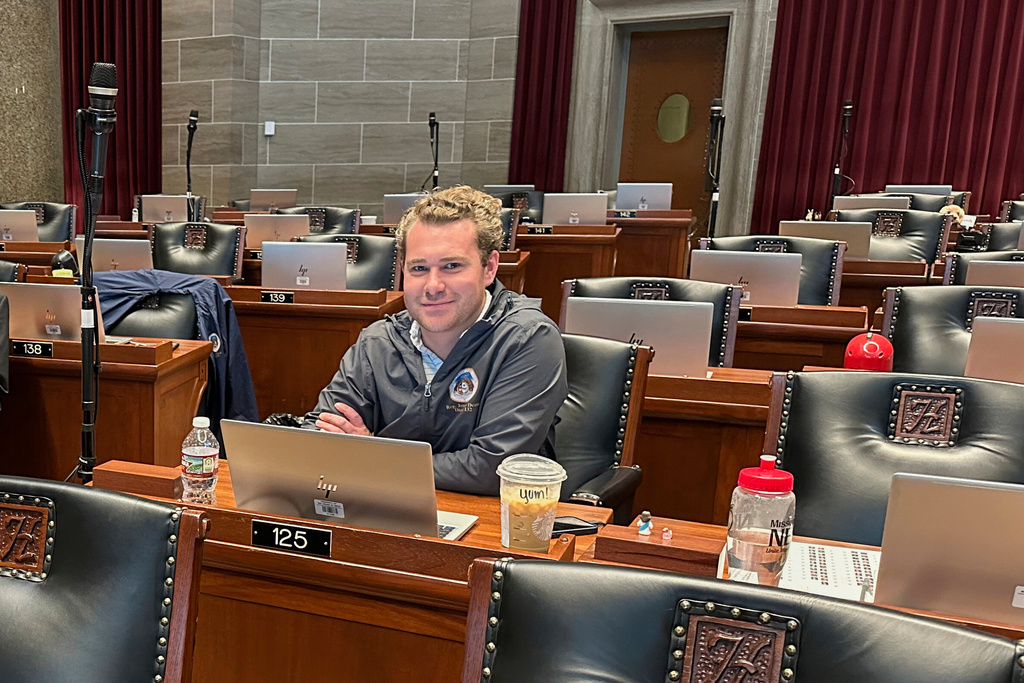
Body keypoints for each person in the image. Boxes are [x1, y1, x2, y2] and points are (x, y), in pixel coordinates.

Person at [303, 186, 568, 495]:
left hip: (494, 527)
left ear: (490, 268)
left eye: (451, 266)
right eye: (418, 268)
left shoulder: (528, 340)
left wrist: (372, 456)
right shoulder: (377, 343)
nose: (433, 285)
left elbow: (490, 468)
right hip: (388, 512)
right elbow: (319, 434)